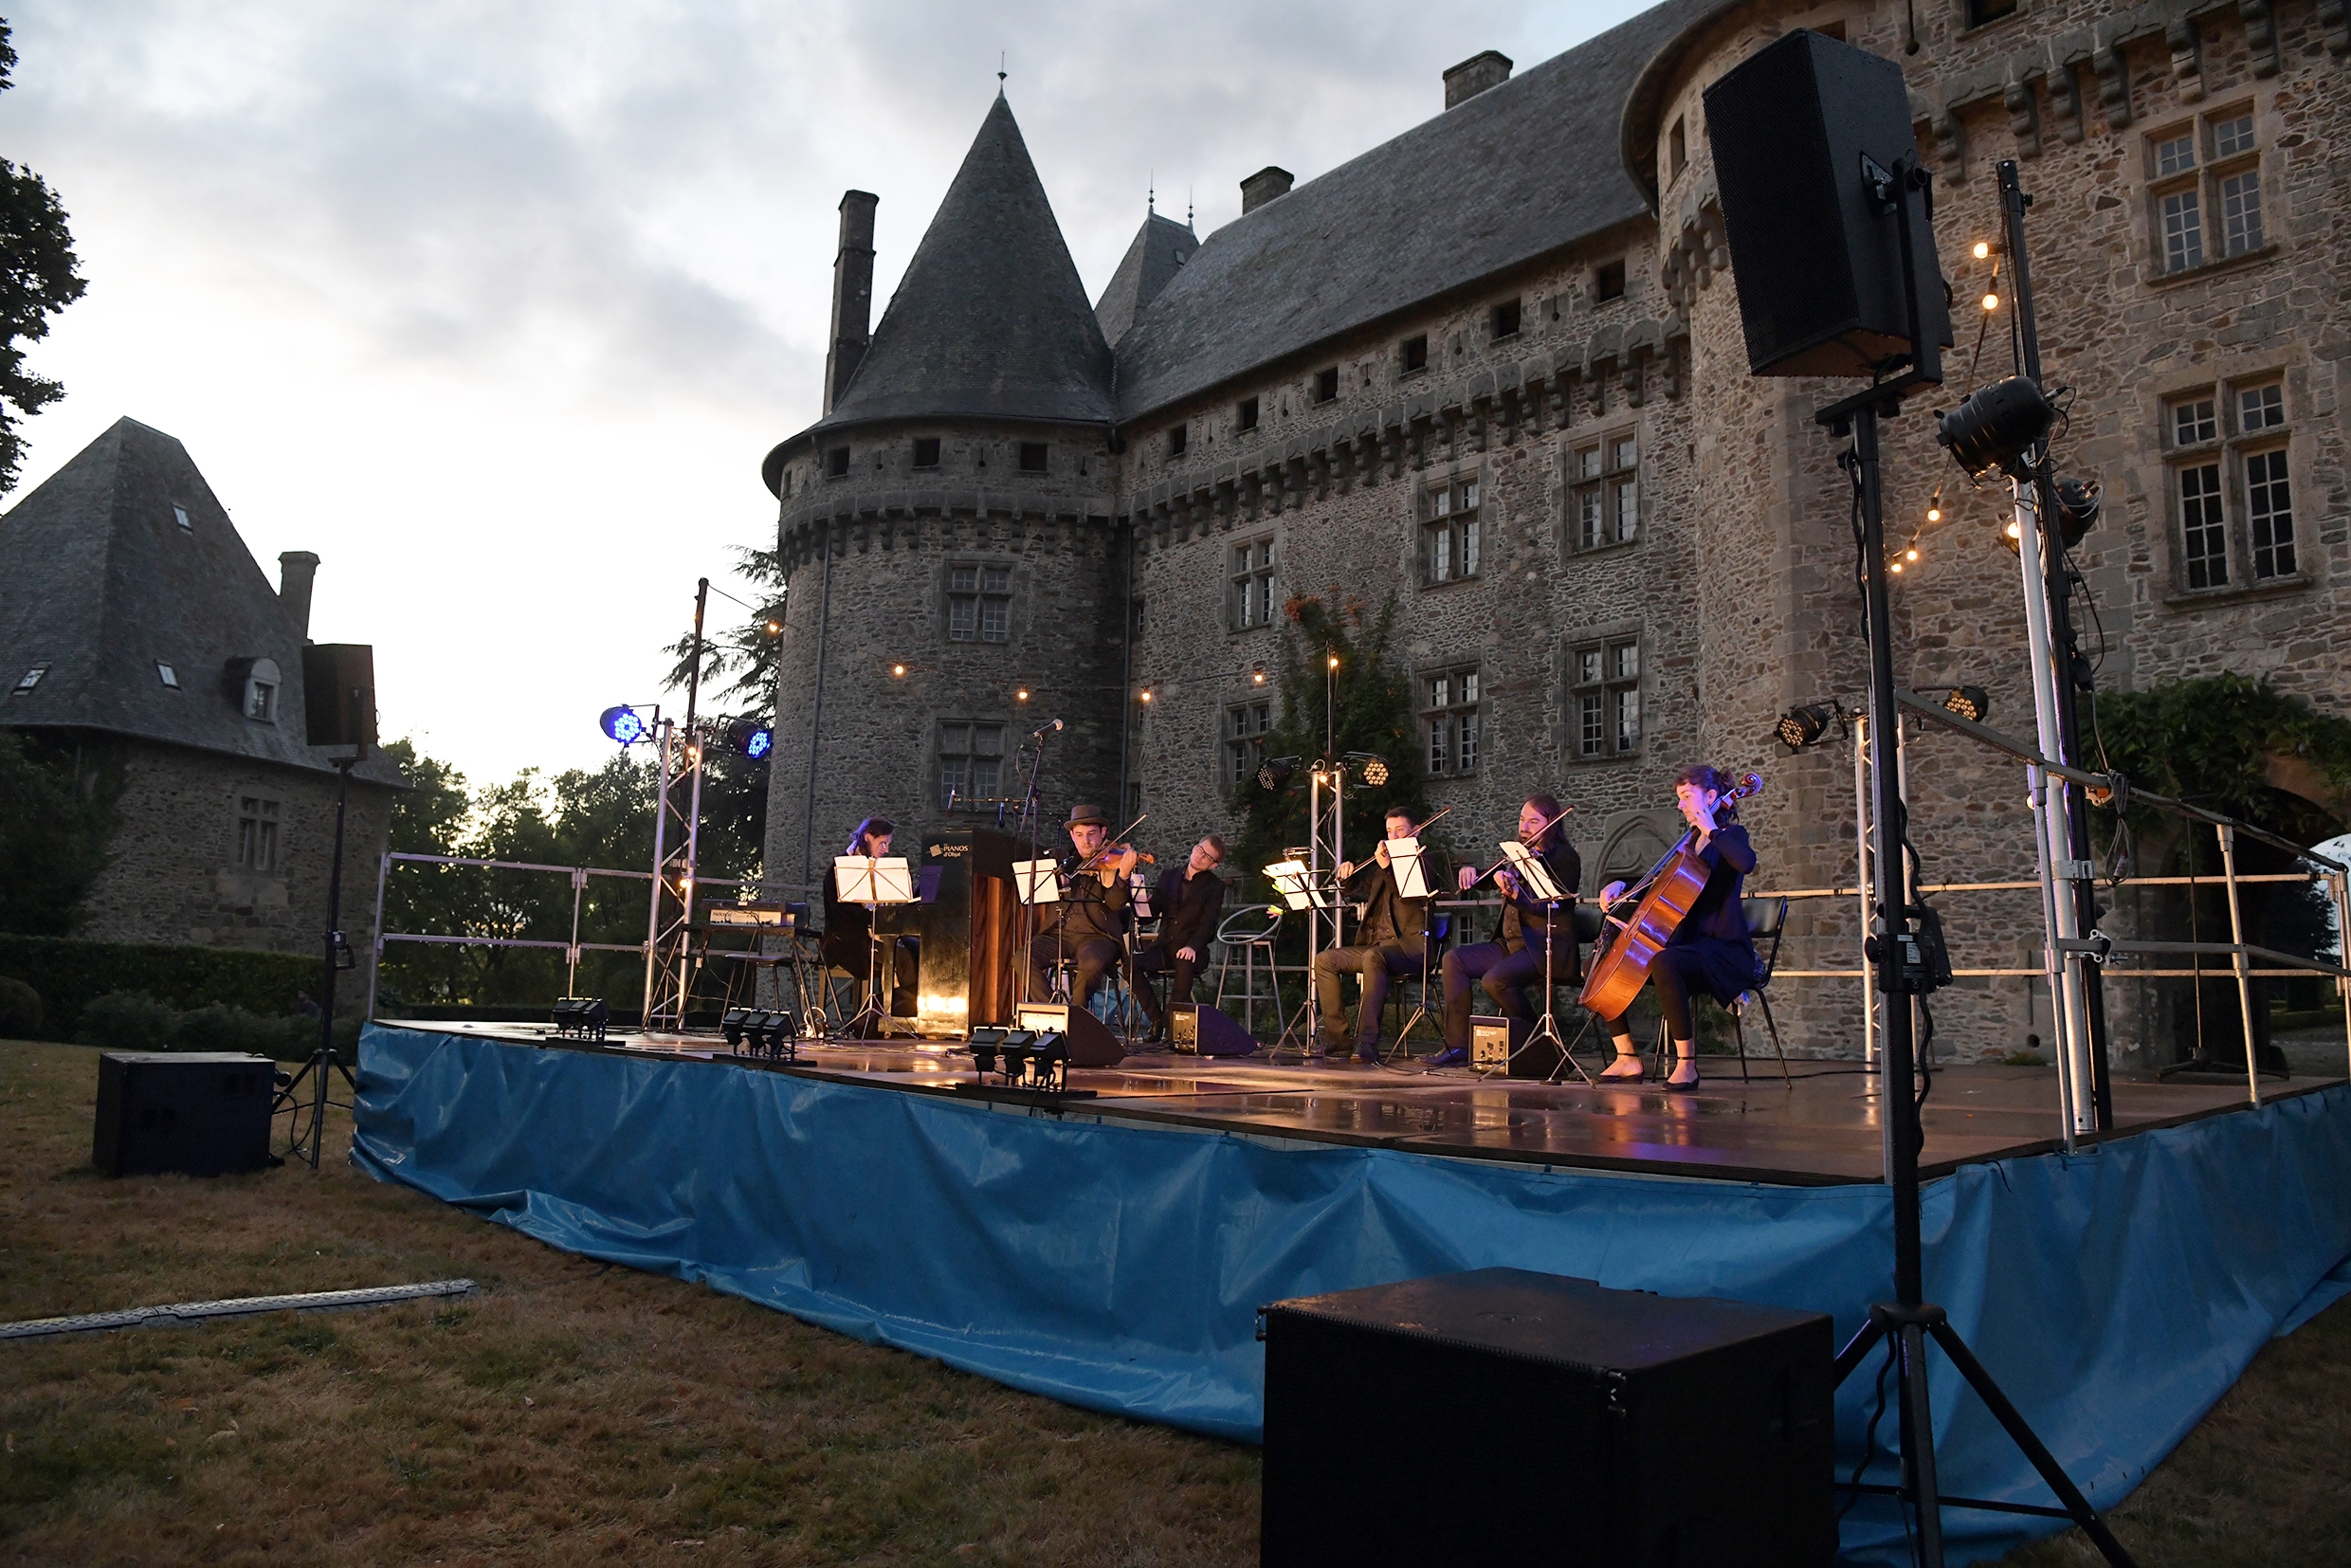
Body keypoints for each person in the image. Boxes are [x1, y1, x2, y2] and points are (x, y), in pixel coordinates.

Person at [1588, 765, 1759, 1090]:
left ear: (1711, 797)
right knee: (1597, 965)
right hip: (1687, 946)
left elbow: (1746, 863)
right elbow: (1656, 889)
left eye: (1686, 797)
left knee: (1665, 962)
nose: (1680, 805)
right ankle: (1627, 1057)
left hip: (1721, 949)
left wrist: (1712, 829)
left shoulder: (1730, 836)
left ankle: (1687, 1065)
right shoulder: (1686, 845)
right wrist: (1619, 885)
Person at [1427, 793, 1581, 1068]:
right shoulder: (1519, 852)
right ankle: (1459, 1045)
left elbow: (1555, 905)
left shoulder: (1565, 858)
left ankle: (1541, 1042)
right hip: (1510, 945)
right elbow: (1495, 876)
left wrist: (1515, 893)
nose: (1525, 827)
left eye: (1534, 821)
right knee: (1454, 960)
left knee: (1494, 980)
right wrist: (1474, 874)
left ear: (1551, 824)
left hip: (1543, 947)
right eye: (1522, 820)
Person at [1311, 807, 1432, 1062]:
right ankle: (1339, 1039)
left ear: (1416, 831)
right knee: (1324, 960)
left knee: (1373, 957)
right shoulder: (1382, 867)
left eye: (1400, 830)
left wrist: (1388, 868)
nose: (1394, 837)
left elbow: (1409, 894)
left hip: (1411, 947)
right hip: (1376, 946)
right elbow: (1361, 888)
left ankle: (1367, 1042)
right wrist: (1346, 876)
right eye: (1389, 831)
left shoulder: (1426, 863)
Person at [1028, 803, 1137, 1009]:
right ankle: (1051, 1011)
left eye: (1091, 834)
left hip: (1099, 937)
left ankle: (1077, 1018)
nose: (1085, 841)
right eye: (1079, 835)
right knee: (1023, 957)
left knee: (1090, 963)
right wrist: (1055, 884)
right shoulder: (1063, 862)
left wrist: (1123, 875)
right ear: (1072, 836)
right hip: (1061, 934)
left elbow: (1115, 904)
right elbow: (1037, 894)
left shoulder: (1113, 862)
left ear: (1103, 832)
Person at [1131, 834, 1228, 1042]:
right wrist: (1140, 906)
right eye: (1200, 850)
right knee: (1131, 964)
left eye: (1208, 857)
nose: (1201, 857)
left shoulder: (1215, 886)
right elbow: (1152, 913)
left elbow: (1209, 923)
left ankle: (1170, 1025)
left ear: (1214, 865)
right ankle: (1156, 1020)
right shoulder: (1169, 876)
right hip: (1165, 945)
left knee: (1185, 964)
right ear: (1194, 847)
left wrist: (1193, 946)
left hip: (1193, 948)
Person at [823, 815, 920, 1017]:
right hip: (848, 940)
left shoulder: (878, 868)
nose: (886, 849)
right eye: (883, 843)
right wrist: (872, 916)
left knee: (920, 948)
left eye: (888, 844)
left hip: (873, 934)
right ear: (867, 837)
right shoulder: (839, 869)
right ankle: (892, 1014)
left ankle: (902, 1008)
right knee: (901, 958)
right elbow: (842, 915)